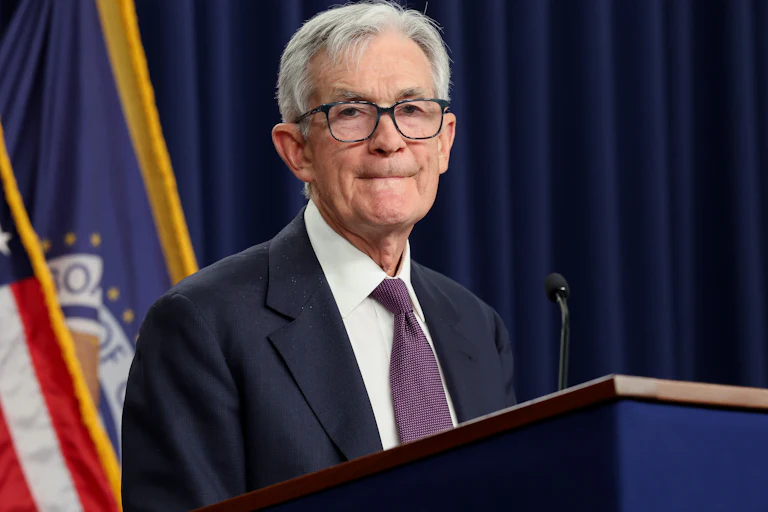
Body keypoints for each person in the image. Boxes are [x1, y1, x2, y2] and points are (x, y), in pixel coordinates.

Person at [121, 2, 516, 510]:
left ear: (444, 142)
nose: (389, 140)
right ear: (297, 150)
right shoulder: (203, 327)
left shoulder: (478, 328)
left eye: (412, 110)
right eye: (352, 112)